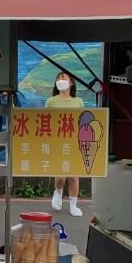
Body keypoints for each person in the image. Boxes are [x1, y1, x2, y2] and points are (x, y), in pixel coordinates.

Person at [46, 72, 85, 217]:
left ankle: (73, 206)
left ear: (71, 83)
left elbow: (82, 121)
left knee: (74, 175)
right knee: (61, 175)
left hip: (74, 141)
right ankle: (58, 191)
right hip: (57, 142)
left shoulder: (78, 102)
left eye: (63, 77)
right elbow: (46, 121)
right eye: (58, 78)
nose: (60, 80)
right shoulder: (51, 101)